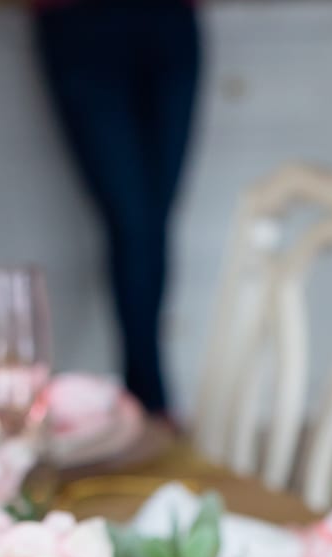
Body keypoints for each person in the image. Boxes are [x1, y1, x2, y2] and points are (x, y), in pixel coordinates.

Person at [31, 0, 202, 417]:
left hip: (171, 20)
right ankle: (151, 407)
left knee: (154, 224)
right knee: (134, 224)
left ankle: (145, 407)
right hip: (79, 24)